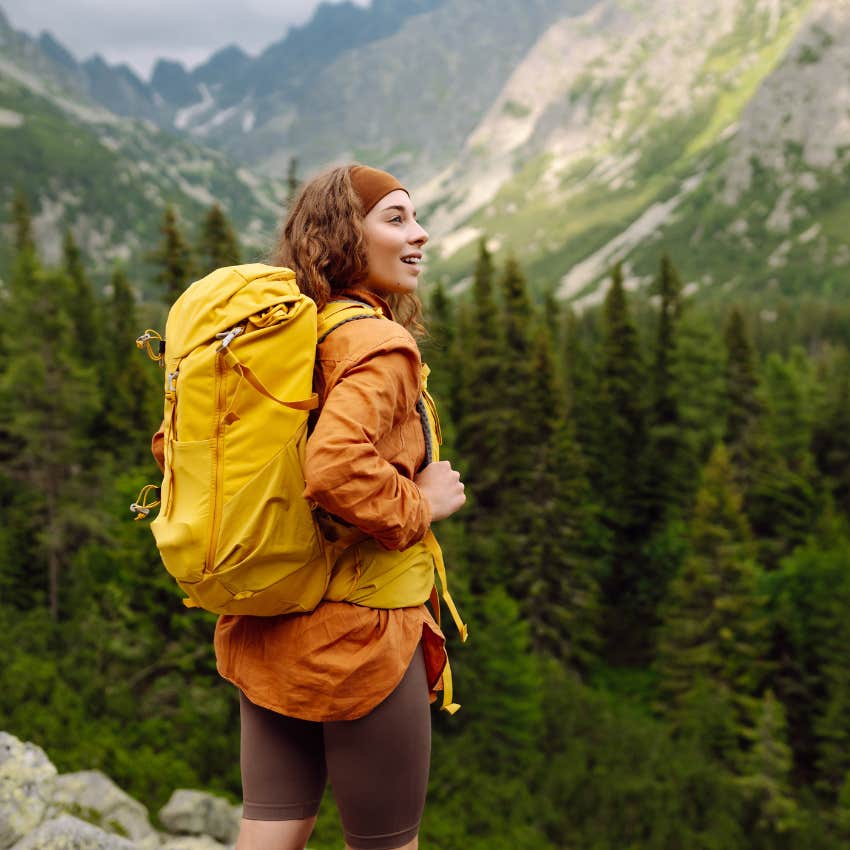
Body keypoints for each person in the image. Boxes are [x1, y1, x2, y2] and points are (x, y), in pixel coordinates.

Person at [210, 164, 467, 850]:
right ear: (345, 236)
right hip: (361, 636)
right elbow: (333, 467)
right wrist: (421, 503)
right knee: (386, 843)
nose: (419, 234)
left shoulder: (285, 335)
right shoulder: (377, 343)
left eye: (415, 217)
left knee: (272, 828)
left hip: (270, 617)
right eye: (396, 219)